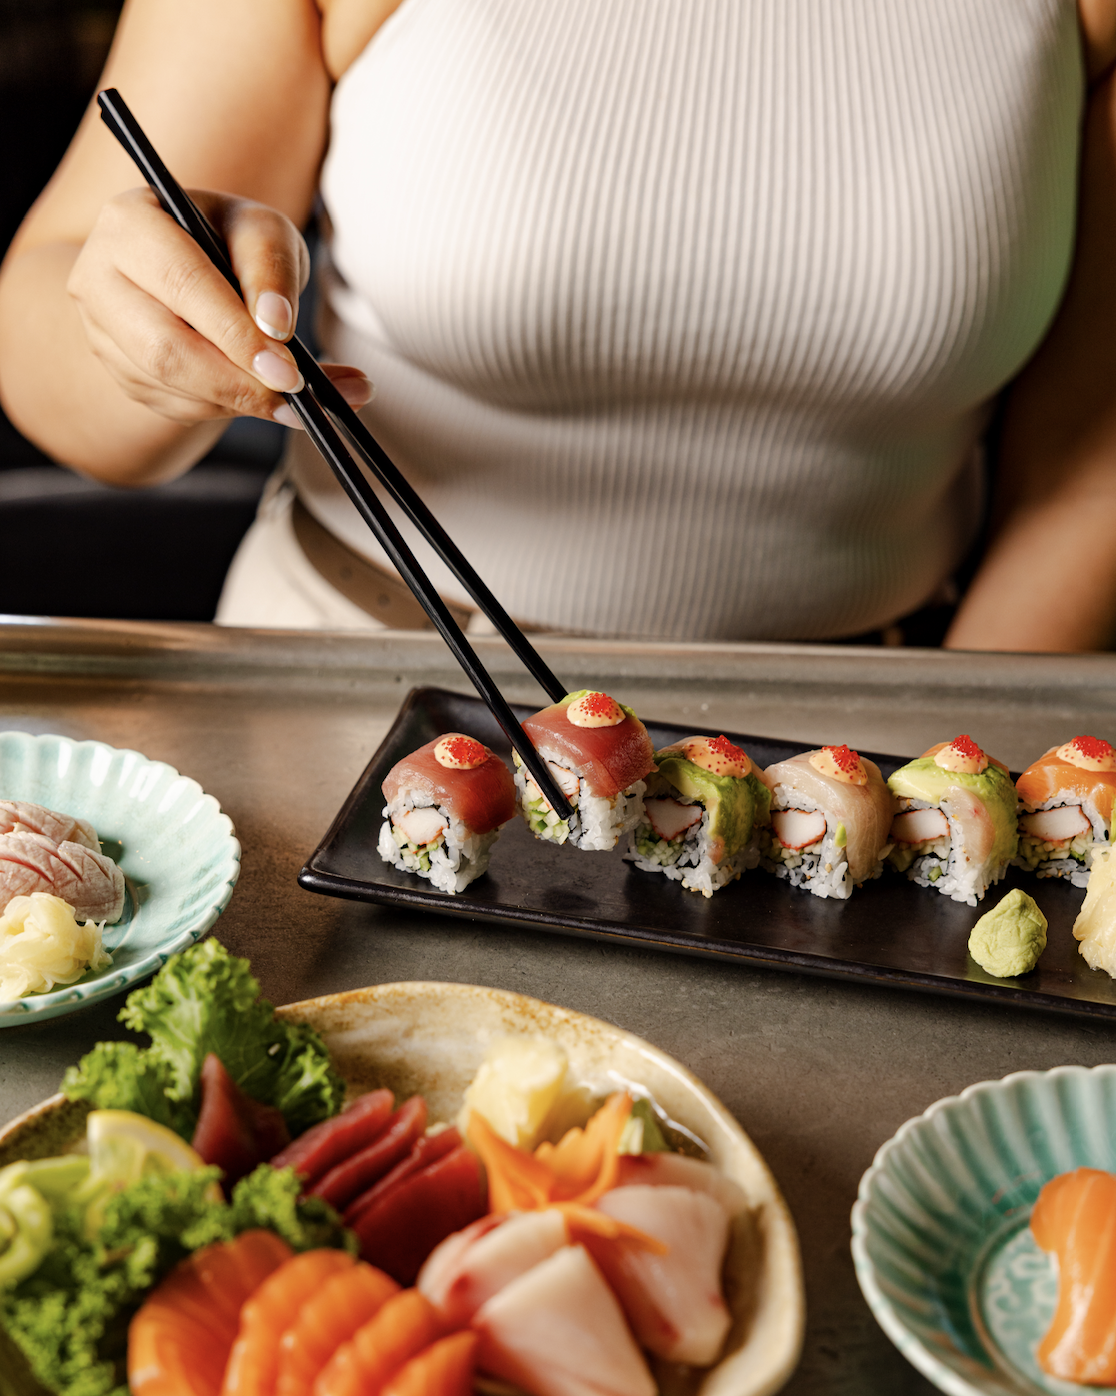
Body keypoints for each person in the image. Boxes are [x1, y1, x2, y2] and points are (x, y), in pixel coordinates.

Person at [0, 0, 1114, 649]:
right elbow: (48, 332)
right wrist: (150, 349)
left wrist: (956, 781)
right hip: (359, 701)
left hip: (852, 764)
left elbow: (1086, 473)